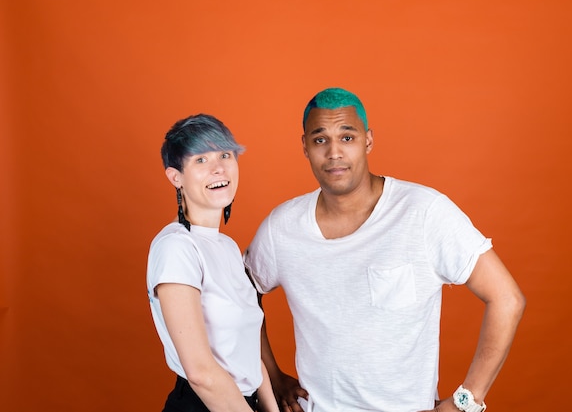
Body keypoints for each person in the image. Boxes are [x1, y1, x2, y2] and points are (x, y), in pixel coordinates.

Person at [243, 88, 526, 412]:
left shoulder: (423, 213)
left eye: (347, 137)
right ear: (305, 146)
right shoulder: (283, 227)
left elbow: (507, 299)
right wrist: (273, 376)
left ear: (368, 141)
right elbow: (241, 294)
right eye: (320, 140)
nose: (334, 152)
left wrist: (466, 402)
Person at [147, 114, 280, 412]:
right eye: (201, 160)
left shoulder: (228, 247)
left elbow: (246, 352)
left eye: (225, 154)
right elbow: (200, 372)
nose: (219, 167)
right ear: (175, 177)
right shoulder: (177, 247)